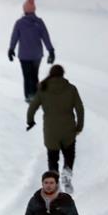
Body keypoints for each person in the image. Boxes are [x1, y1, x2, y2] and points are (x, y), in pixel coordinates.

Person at [27, 65, 84, 194]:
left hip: (50, 131)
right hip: (68, 129)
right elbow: (80, 109)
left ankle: (54, 183)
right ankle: (67, 174)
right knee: (69, 155)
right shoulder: (71, 89)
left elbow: (32, 107)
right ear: (63, 74)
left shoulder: (43, 88)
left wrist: (30, 120)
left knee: (53, 158)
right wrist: (79, 127)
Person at [8, 0, 55, 103]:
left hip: (24, 55)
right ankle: (36, 95)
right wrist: (51, 51)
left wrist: (11, 49)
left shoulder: (19, 23)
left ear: (24, 10)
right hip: (36, 55)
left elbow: (14, 37)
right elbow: (46, 37)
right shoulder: (39, 22)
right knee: (34, 75)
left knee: (27, 76)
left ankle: (29, 96)